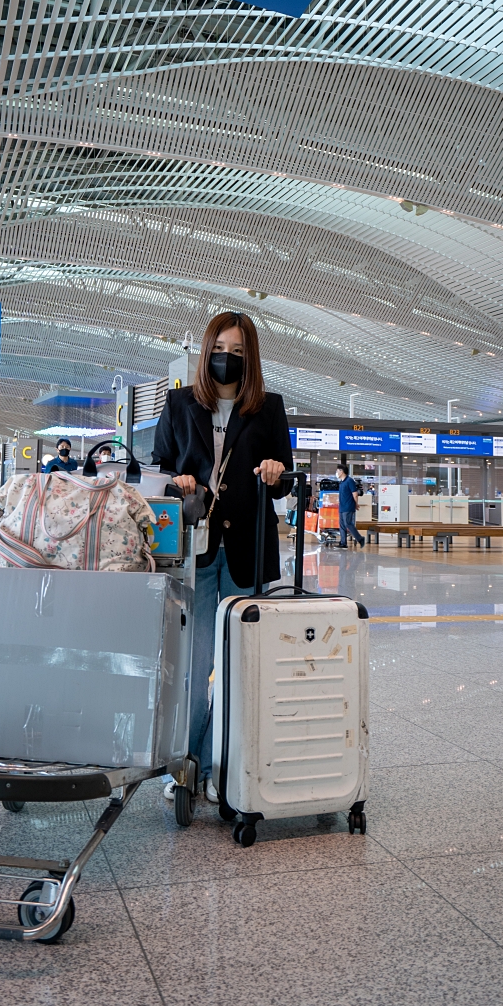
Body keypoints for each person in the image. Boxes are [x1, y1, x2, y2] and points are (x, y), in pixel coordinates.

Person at [153, 310, 292, 803]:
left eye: (237, 353)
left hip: (247, 551)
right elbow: (160, 471)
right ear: (205, 350)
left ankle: (216, 765)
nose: (226, 360)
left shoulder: (268, 408)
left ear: (249, 358)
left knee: (238, 665)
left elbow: (282, 483)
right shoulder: (179, 404)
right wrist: (179, 482)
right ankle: (185, 769)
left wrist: (275, 471)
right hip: (196, 549)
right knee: (194, 665)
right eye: (219, 350)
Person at [336, 465, 364, 548]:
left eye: (337, 471)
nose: (337, 473)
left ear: (342, 471)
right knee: (342, 525)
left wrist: (356, 504)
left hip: (348, 506)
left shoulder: (349, 481)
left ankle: (360, 539)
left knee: (348, 523)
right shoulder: (342, 482)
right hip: (342, 507)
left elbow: (355, 494)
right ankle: (343, 542)